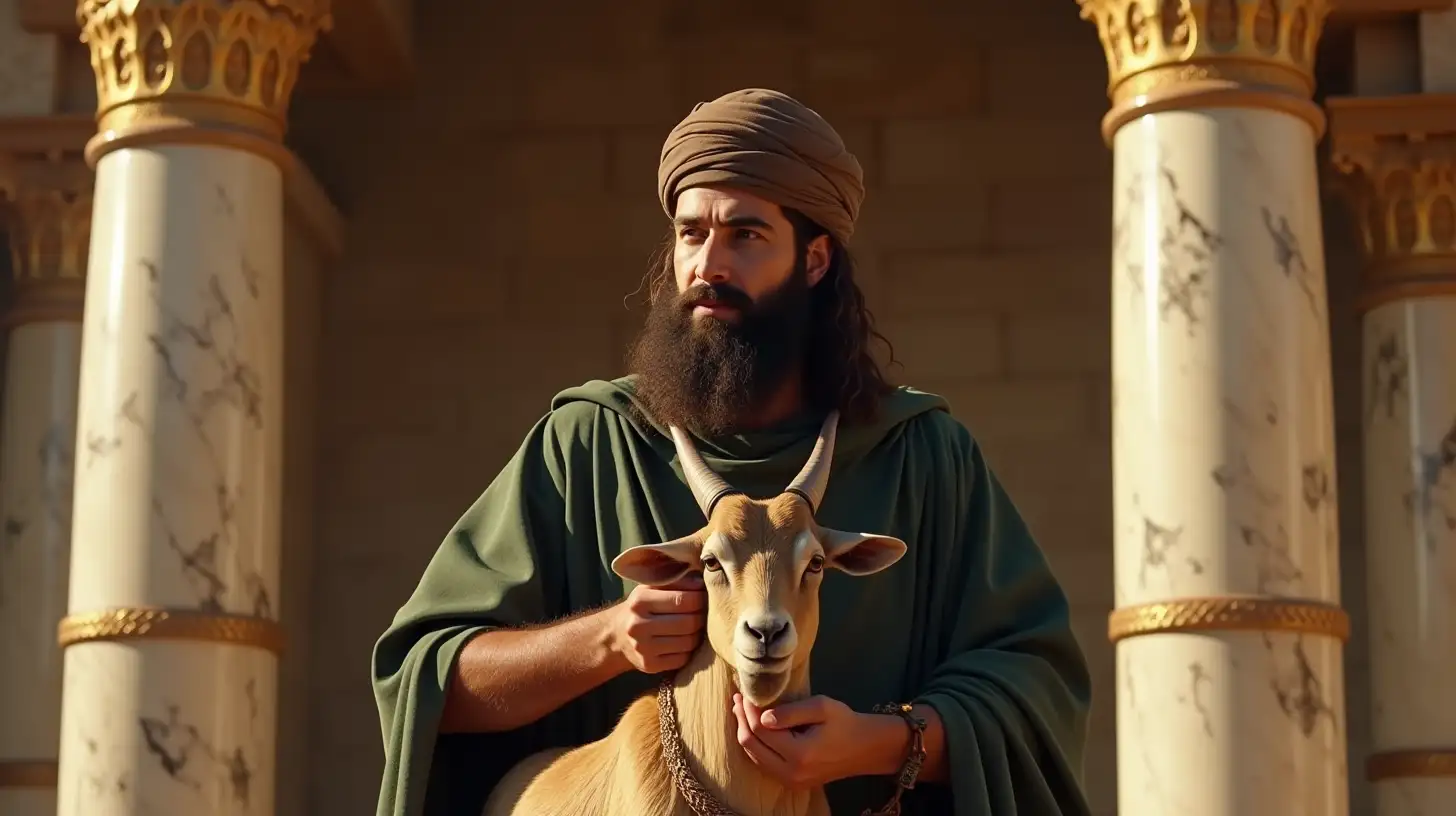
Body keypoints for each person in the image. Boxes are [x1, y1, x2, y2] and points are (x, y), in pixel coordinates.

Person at [371, 88, 1092, 816]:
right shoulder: (591, 442)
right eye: (690, 234)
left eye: (745, 235)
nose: (707, 266)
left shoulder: (922, 455)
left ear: (814, 260)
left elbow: (1036, 686)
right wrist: (609, 638)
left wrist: (881, 742)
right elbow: (429, 681)